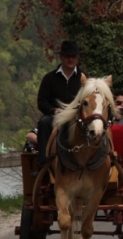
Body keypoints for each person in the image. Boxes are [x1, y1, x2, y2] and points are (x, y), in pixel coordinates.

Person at [35, 40, 86, 168]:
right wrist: (53, 110)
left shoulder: (85, 78)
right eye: (68, 56)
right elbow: (41, 101)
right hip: (56, 116)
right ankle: (43, 164)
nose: (70, 59)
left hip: (77, 117)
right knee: (44, 122)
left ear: (77, 58)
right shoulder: (49, 78)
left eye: (73, 56)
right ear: (61, 57)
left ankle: (92, 162)